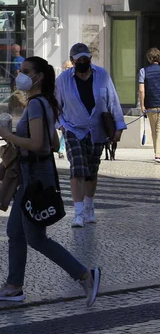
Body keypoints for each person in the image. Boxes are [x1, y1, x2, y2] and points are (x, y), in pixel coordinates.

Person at [0, 56, 101, 307]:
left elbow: (39, 145)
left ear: (38, 77)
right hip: (33, 175)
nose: (20, 74)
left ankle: (85, 275)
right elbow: (52, 143)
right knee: (15, 232)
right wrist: (18, 136)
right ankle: (14, 286)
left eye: (25, 71)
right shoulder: (44, 103)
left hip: (35, 178)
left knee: (36, 237)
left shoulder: (37, 105)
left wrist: (8, 135)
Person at [56, 43, 126, 228]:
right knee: (77, 169)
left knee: (91, 172)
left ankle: (89, 208)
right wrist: (61, 125)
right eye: (79, 60)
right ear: (72, 61)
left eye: (86, 59)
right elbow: (56, 106)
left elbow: (113, 101)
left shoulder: (102, 75)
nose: (83, 62)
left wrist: (118, 128)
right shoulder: (63, 79)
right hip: (73, 129)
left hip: (97, 130)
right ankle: (78, 213)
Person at [138, 47, 160, 162]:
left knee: (154, 129)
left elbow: (141, 90)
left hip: (150, 105)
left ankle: (157, 153)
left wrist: (142, 106)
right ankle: (158, 153)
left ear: (150, 58)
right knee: (159, 129)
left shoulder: (143, 71)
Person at [57, 59, 73, 159]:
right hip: (65, 113)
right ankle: (61, 150)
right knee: (65, 132)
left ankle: (62, 149)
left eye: (70, 68)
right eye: (66, 68)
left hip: (73, 113)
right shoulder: (60, 80)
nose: (68, 70)